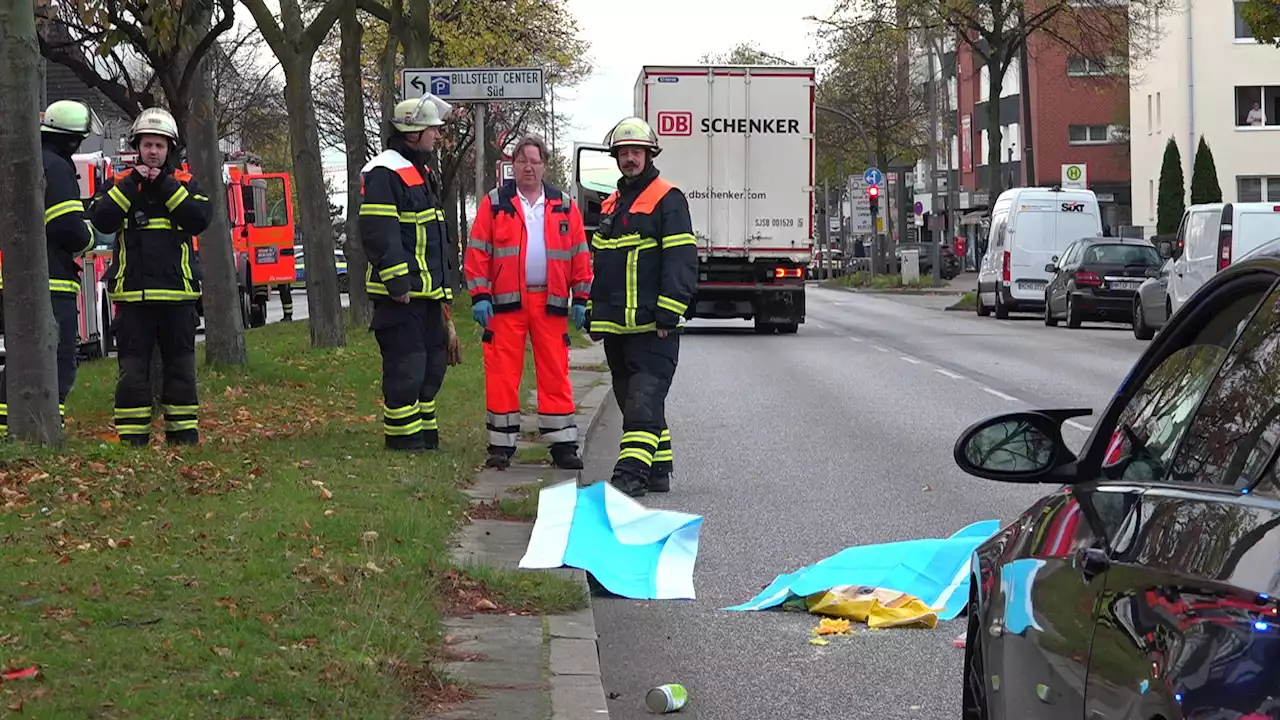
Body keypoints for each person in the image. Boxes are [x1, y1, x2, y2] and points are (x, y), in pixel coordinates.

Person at [465, 134, 592, 470]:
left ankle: (563, 445)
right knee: (503, 373)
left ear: (544, 166)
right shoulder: (496, 203)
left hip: (550, 302)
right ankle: (501, 446)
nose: (528, 168)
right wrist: (479, 295)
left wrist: (581, 296)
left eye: (535, 161)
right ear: (513, 166)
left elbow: (579, 252)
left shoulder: (563, 204)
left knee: (555, 371)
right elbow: (477, 251)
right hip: (507, 304)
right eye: (522, 161)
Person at [586, 117, 698, 497]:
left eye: (636, 152)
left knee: (641, 403)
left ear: (649, 154)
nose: (629, 158)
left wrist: (669, 311)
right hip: (617, 329)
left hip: (653, 327)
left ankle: (630, 475)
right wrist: (592, 309)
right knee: (634, 400)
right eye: (623, 152)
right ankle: (658, 470)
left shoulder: (668, 198)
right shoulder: (612, 204)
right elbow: (603, 265)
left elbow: (681, 260)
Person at [88, 107, 212, 446]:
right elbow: (102, 218)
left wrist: (164, 185)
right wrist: (134, 183)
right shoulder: (118, 183)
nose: (153, 152)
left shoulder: (186, 184)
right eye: (147, 145)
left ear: (169, 148)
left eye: (159, 145)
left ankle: (184, 438)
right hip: (133, 298)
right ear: (137, 147)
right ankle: (132, 442)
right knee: (132, 373)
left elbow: (198, 218)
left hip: (178, 297)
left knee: (181, 372)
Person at [358, 94, 460, 452]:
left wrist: (444, 294)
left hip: (427, 296)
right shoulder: (385, 172)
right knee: (407, 369)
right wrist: (397, 282)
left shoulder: (421, 171)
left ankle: (425, 437)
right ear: (412, 132)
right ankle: (403, 442)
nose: (437, 135)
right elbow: (379, 232)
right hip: (400, 297)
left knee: (432, 368)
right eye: (432, 129)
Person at [0, 100, 101, 438]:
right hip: (51, 281)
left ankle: (8, 429)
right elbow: (68, 228)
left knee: (19, 360)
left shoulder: (22, 158)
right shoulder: (56, 167)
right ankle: (46, 429)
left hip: (14, 281)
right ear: (73, 140)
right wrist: (91, 236)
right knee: (58, 362)